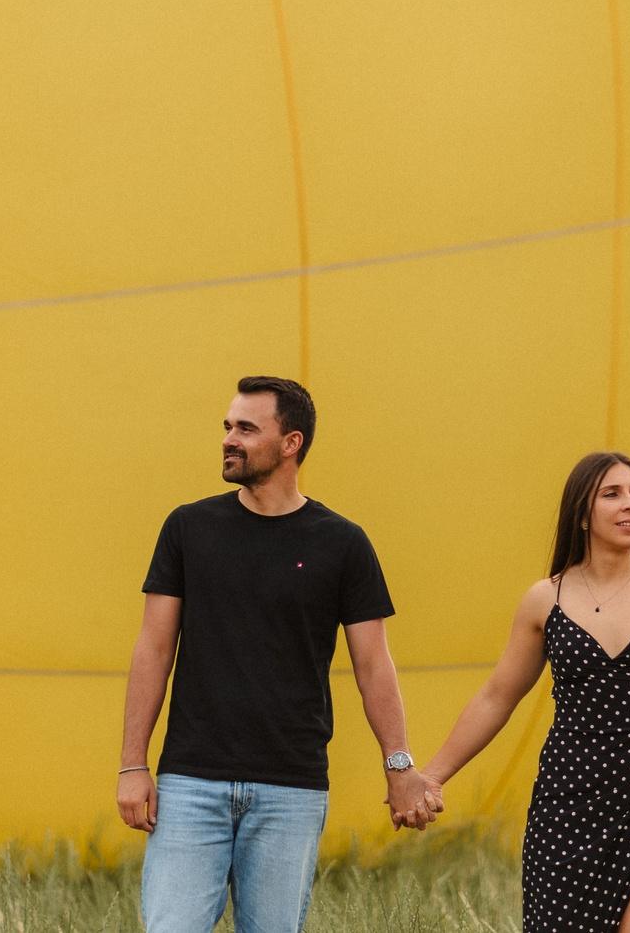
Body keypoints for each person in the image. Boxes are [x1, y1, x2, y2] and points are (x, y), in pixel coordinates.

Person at [118, 375, 444, 933]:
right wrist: (133, 764)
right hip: (190, 784)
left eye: (246, 428)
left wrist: (400, 766)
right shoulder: (188, 527)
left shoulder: (342, 542)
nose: (229, 438)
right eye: (227, 426)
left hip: (291, 789)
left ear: (290, 443)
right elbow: (153, 648)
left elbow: (373, 665)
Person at [415, 451, 630, 933]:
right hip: (567, 811)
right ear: (582, 515)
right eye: (612, 494)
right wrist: (433, 777)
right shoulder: (546, 599)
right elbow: (497, 696)